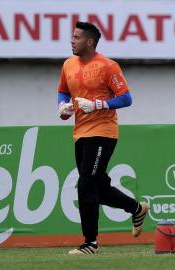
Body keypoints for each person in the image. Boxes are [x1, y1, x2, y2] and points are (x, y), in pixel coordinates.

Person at [57, 22, 150, 255]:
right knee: (97, 187)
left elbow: (126, 98)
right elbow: (63, 90)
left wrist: (99, 104)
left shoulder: (108, 66)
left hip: (103, 132)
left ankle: (90, 243)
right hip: (80, 133)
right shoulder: (68, 65)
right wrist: (63, 105)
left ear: (89, 42)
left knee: (86, 185)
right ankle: (137, 208)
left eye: (77, 37)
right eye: (72, 36)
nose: (72, 40)